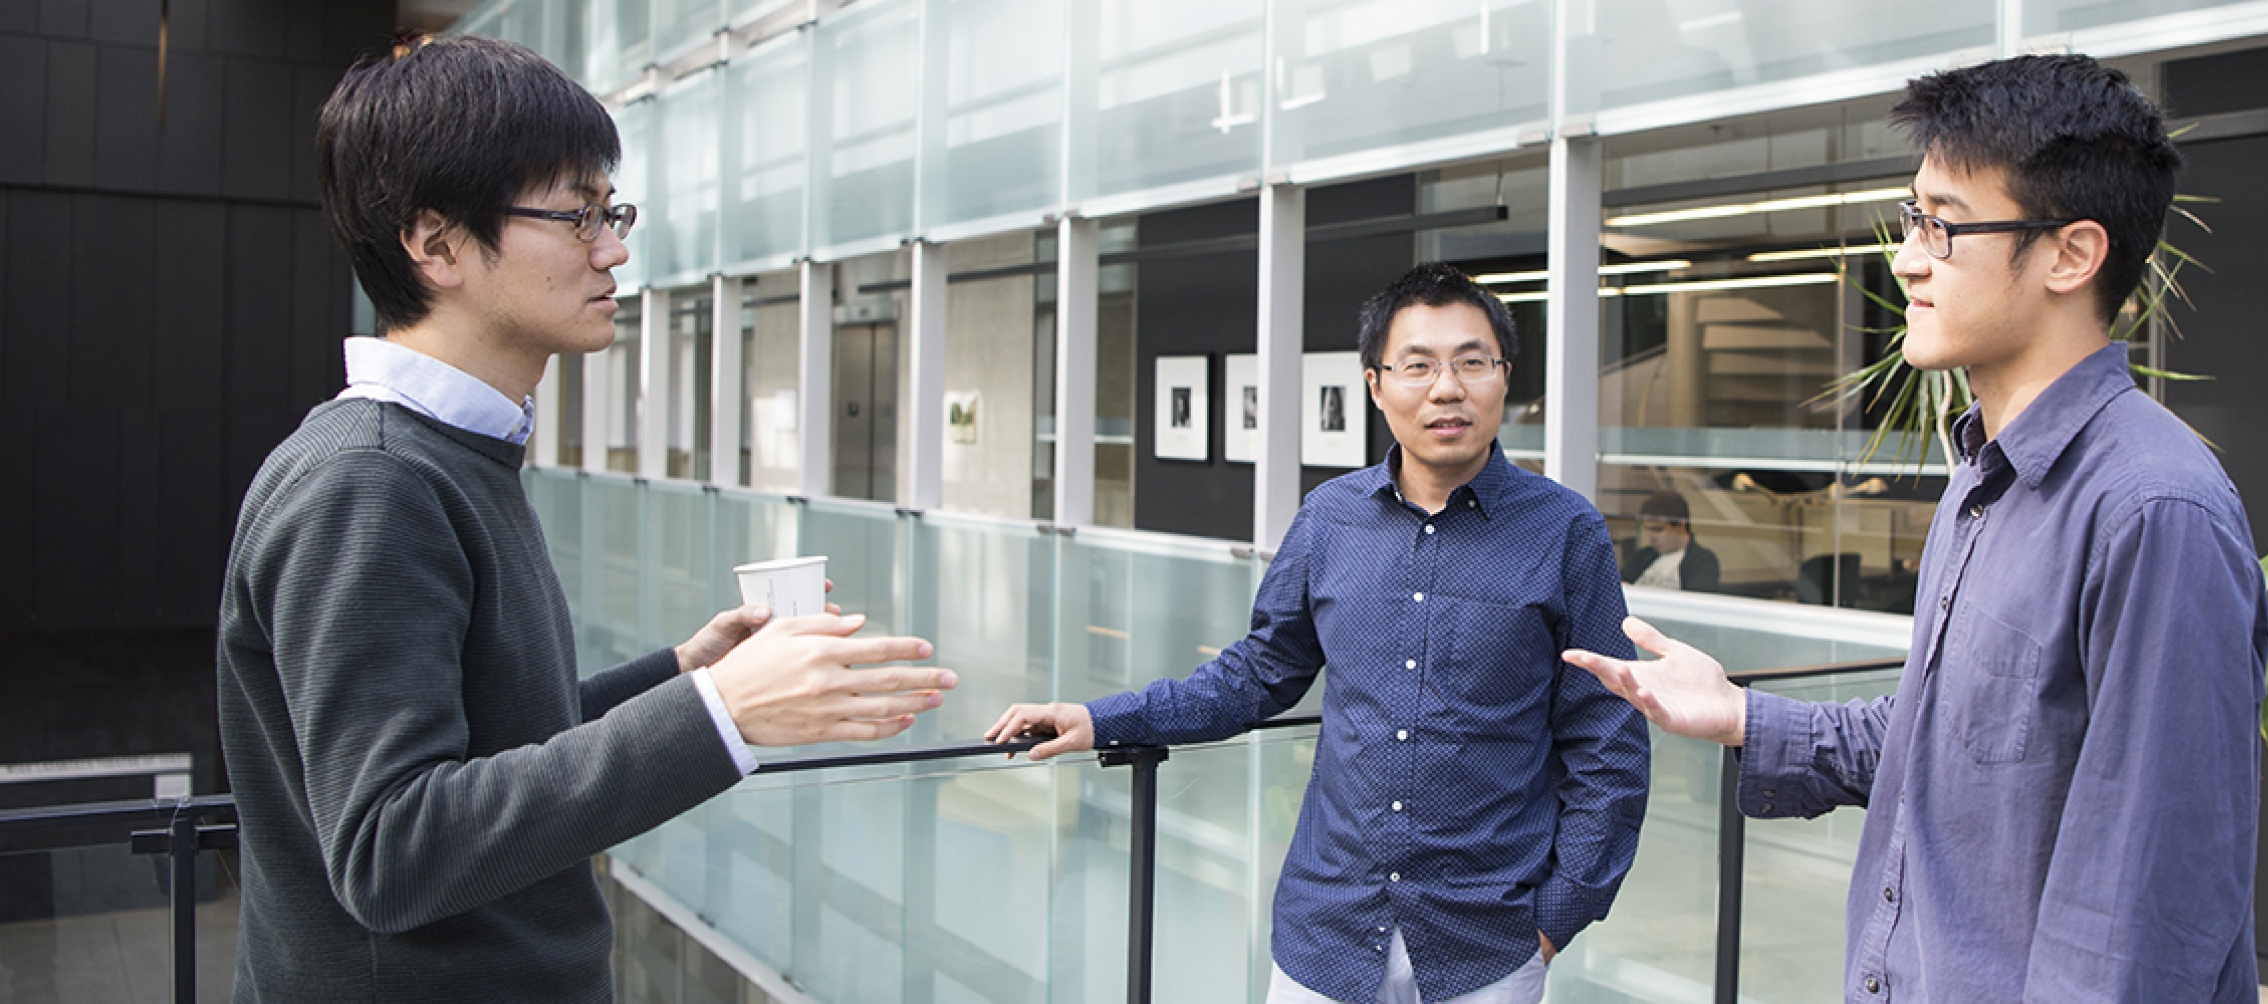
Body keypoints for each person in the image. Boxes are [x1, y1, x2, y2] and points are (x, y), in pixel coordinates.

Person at [218, 36, 955, 1002]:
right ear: (435, 243)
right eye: (576, 217)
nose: (612, 248)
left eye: (612, 213)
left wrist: (684, 675)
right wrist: (722, 714)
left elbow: (494, 746)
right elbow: (392, 847)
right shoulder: (372, 483)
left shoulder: (446, 457)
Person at [1564, 55, 2268, 1003]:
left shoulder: (2153, 513)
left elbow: (2139, 926)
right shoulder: (1986, 475)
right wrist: (1741, 714)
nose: (1906, 257)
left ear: (2072, 254)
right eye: (1913, 217)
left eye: (1944, 225)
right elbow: (1956, 737)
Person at [985, 263, 1651, 1004]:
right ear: (1375, 384)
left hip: (1488, 946)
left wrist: (1554, 921)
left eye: (1472, 362)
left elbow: (1608, 743)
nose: (1446, 388)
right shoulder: (1330, 518)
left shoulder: (1565, 533)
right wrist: (1099, 718)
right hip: (1327, 934)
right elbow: (1259, 672)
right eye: (1418, 365)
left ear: (1504, 377)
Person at [1620, 491, 1719, 593]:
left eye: (1658, 530)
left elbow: (1695, 603)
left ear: (1681, 526)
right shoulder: (1642, 556)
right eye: (1648, 530)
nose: (1651, 538)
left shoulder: (1702, 561)